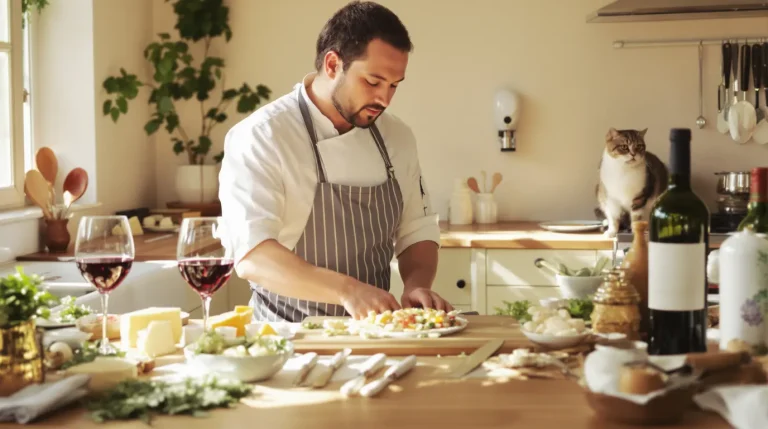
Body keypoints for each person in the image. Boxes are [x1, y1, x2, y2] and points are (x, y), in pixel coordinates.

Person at [218, 0, 451, 322]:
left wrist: (416, 284)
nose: (384, 99)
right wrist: (348, 290)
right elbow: (253, 255)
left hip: (376, 335)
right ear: (332, 65)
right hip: (288, 337)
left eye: (394, 85)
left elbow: (417, 228)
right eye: (372, 82)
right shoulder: (262, 136)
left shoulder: (397, 136)